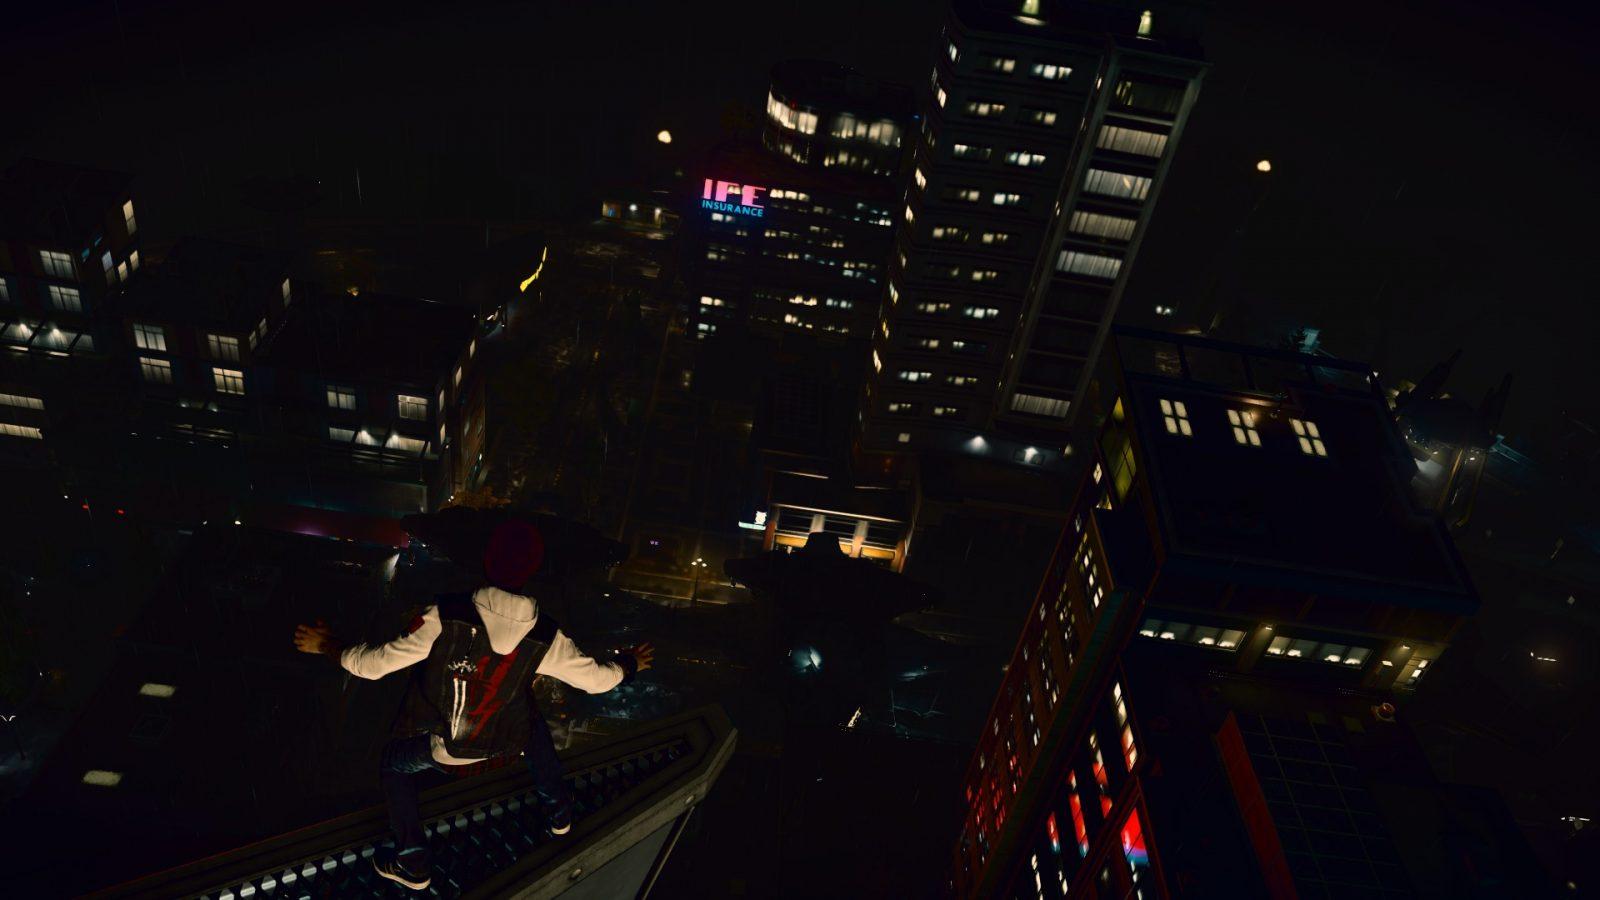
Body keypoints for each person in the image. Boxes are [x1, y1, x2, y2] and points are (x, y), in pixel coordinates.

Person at [293, 520, 653, 891]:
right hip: (509, 743)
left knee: (393, 765)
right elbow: (598, 681)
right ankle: (559, 813)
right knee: (527, 712)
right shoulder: (547, 636)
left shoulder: (444, 617)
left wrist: (326, 644)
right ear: (532, 570)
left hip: (447, 748)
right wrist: (630, 664)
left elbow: (371, 666)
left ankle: (413, 861)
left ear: (487, 561)